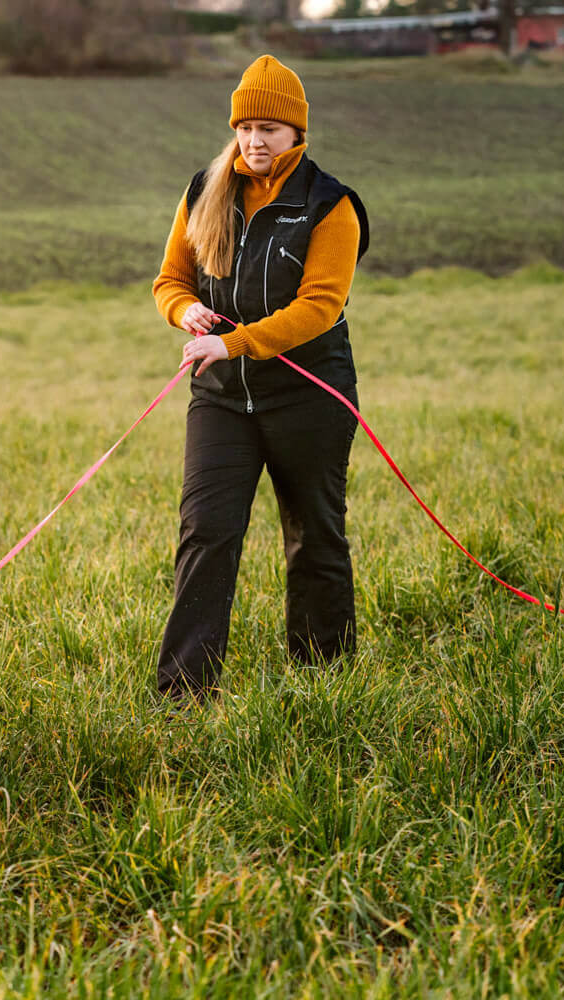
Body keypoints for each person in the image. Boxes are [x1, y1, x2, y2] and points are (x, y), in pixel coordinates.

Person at [153, 54, 370, 703]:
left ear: (297, 133)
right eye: (246, 126)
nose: (254, 140)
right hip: (221, 401)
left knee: (314, 534)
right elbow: (170, 279)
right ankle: (185, 691)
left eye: (269, 129)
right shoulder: (204, 190)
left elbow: (320, 306)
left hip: (309, 396)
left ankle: (323, 679)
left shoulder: (329, 205)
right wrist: (184, 310)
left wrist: (235, 343)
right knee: (206, 532)